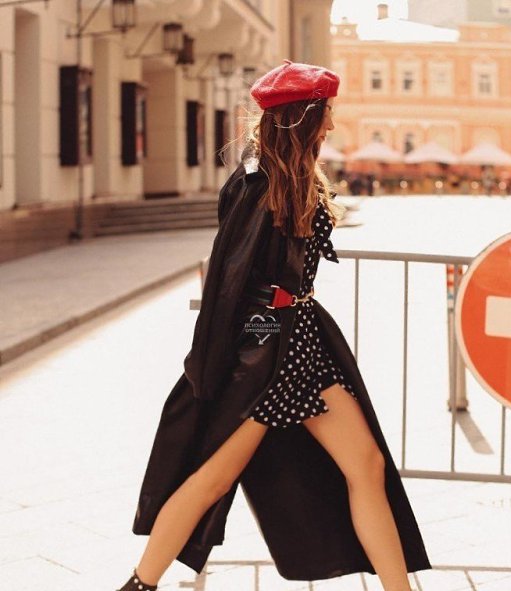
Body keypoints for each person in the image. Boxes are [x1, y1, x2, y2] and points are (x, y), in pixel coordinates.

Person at [116, 60, 431, 591]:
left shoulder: (292, 176)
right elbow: (228, 281)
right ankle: (140, 585)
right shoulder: (256, 184)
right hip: (264, 356)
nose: (332, 123)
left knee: (367, 464)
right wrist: (225, 361)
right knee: (212, 480)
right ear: (303, 116)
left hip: (303, 345)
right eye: (326, 112)